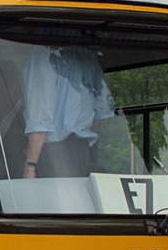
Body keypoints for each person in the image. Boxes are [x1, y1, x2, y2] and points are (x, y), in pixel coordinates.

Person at [21, 44, 116, 178]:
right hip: (82, 153)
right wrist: (82, 133)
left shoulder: (43, 49)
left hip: (52, 155)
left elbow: (40, 119)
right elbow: (103, 110)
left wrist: (30, 167)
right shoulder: (87, 51)